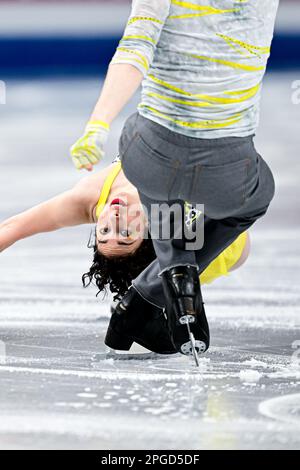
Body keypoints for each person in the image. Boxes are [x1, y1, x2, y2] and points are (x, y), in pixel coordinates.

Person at [70, 0, 277, 361]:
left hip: (151, 155)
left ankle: (170, 279)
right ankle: (154, 291)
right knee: (258, 195)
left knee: (157, 174)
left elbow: (133, 49)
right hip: (227, 175)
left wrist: (97, 125)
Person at [0, 160, 250, 353]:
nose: (114, 218)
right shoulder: (170, 220)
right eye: (126, 233)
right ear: (150, 232)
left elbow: (13, 227)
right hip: (229, 248)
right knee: (181, 259)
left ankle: (138, 300)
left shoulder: (89, 198)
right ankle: (149, 299)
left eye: (104, 231)